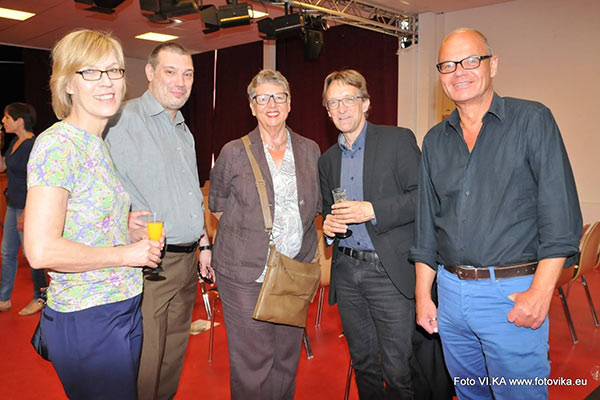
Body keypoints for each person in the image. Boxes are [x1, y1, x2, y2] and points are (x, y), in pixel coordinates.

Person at [410, 28, 582, 399]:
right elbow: (426, 227)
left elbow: (561, 217)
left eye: (470, 60)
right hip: (450, 296)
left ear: (493, 65)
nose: (459, 71)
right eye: (448, 65)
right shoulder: (435, 141)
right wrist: (424, 296)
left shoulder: (533, 120)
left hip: (511, 294)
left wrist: (540, 293)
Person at [23, 29, 164, 399]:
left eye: (114, 70)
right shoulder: (58, 145)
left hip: (120, 307)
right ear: (68, 84)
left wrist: (123, 227)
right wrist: (125, 254)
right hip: (88, 316)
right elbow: (40, 250)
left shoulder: (96, 144)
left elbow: (81, 220)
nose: (107, 82)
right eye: (91, 72)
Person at [105, 42, 212, 400]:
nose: (180, 82)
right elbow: (95, 184)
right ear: (150, 73)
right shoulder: (121, 120)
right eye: (170, 72)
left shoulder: (183, 130)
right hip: (149, 264)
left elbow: (191, 194)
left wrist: (204, 243)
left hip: (187, 261)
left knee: (173, 355)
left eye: (188, 74)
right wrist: (120, 219)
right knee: (146, 360)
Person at [209, 69, 321, 400]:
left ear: (290, 103)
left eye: (279, 97)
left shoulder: (310, 150)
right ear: (252, 106)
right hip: (245, 274)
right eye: (263, 98)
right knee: (252, 363)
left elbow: (317, 205)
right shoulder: (233, 152)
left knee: (286, 359)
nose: (271, 104)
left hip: (293, 270)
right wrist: (251, 235)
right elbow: (217, 205)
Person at [318, 69, 421, 399]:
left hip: (387, 272)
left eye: (348, 99)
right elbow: (328, 211)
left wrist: (373, 209)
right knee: (363, 364)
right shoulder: (327, 161)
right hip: (347, 272)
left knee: (397, 369)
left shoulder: (396, 141)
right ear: (327, 111)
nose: (341, 108)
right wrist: (329, 229)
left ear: (365, 103)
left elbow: (423, 198)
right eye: (333, 102)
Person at [0, 103, 47, 315]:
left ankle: (40, 297)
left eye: (7, 117)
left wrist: (27, 213)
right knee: (7, 253)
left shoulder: (33, 145)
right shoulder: (15, 143)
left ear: (19, 121)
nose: (3, 121)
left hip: (28, 207)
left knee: (32, 254)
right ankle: (3, 298)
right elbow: (3, 167)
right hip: (13, 206)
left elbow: (36, 182)